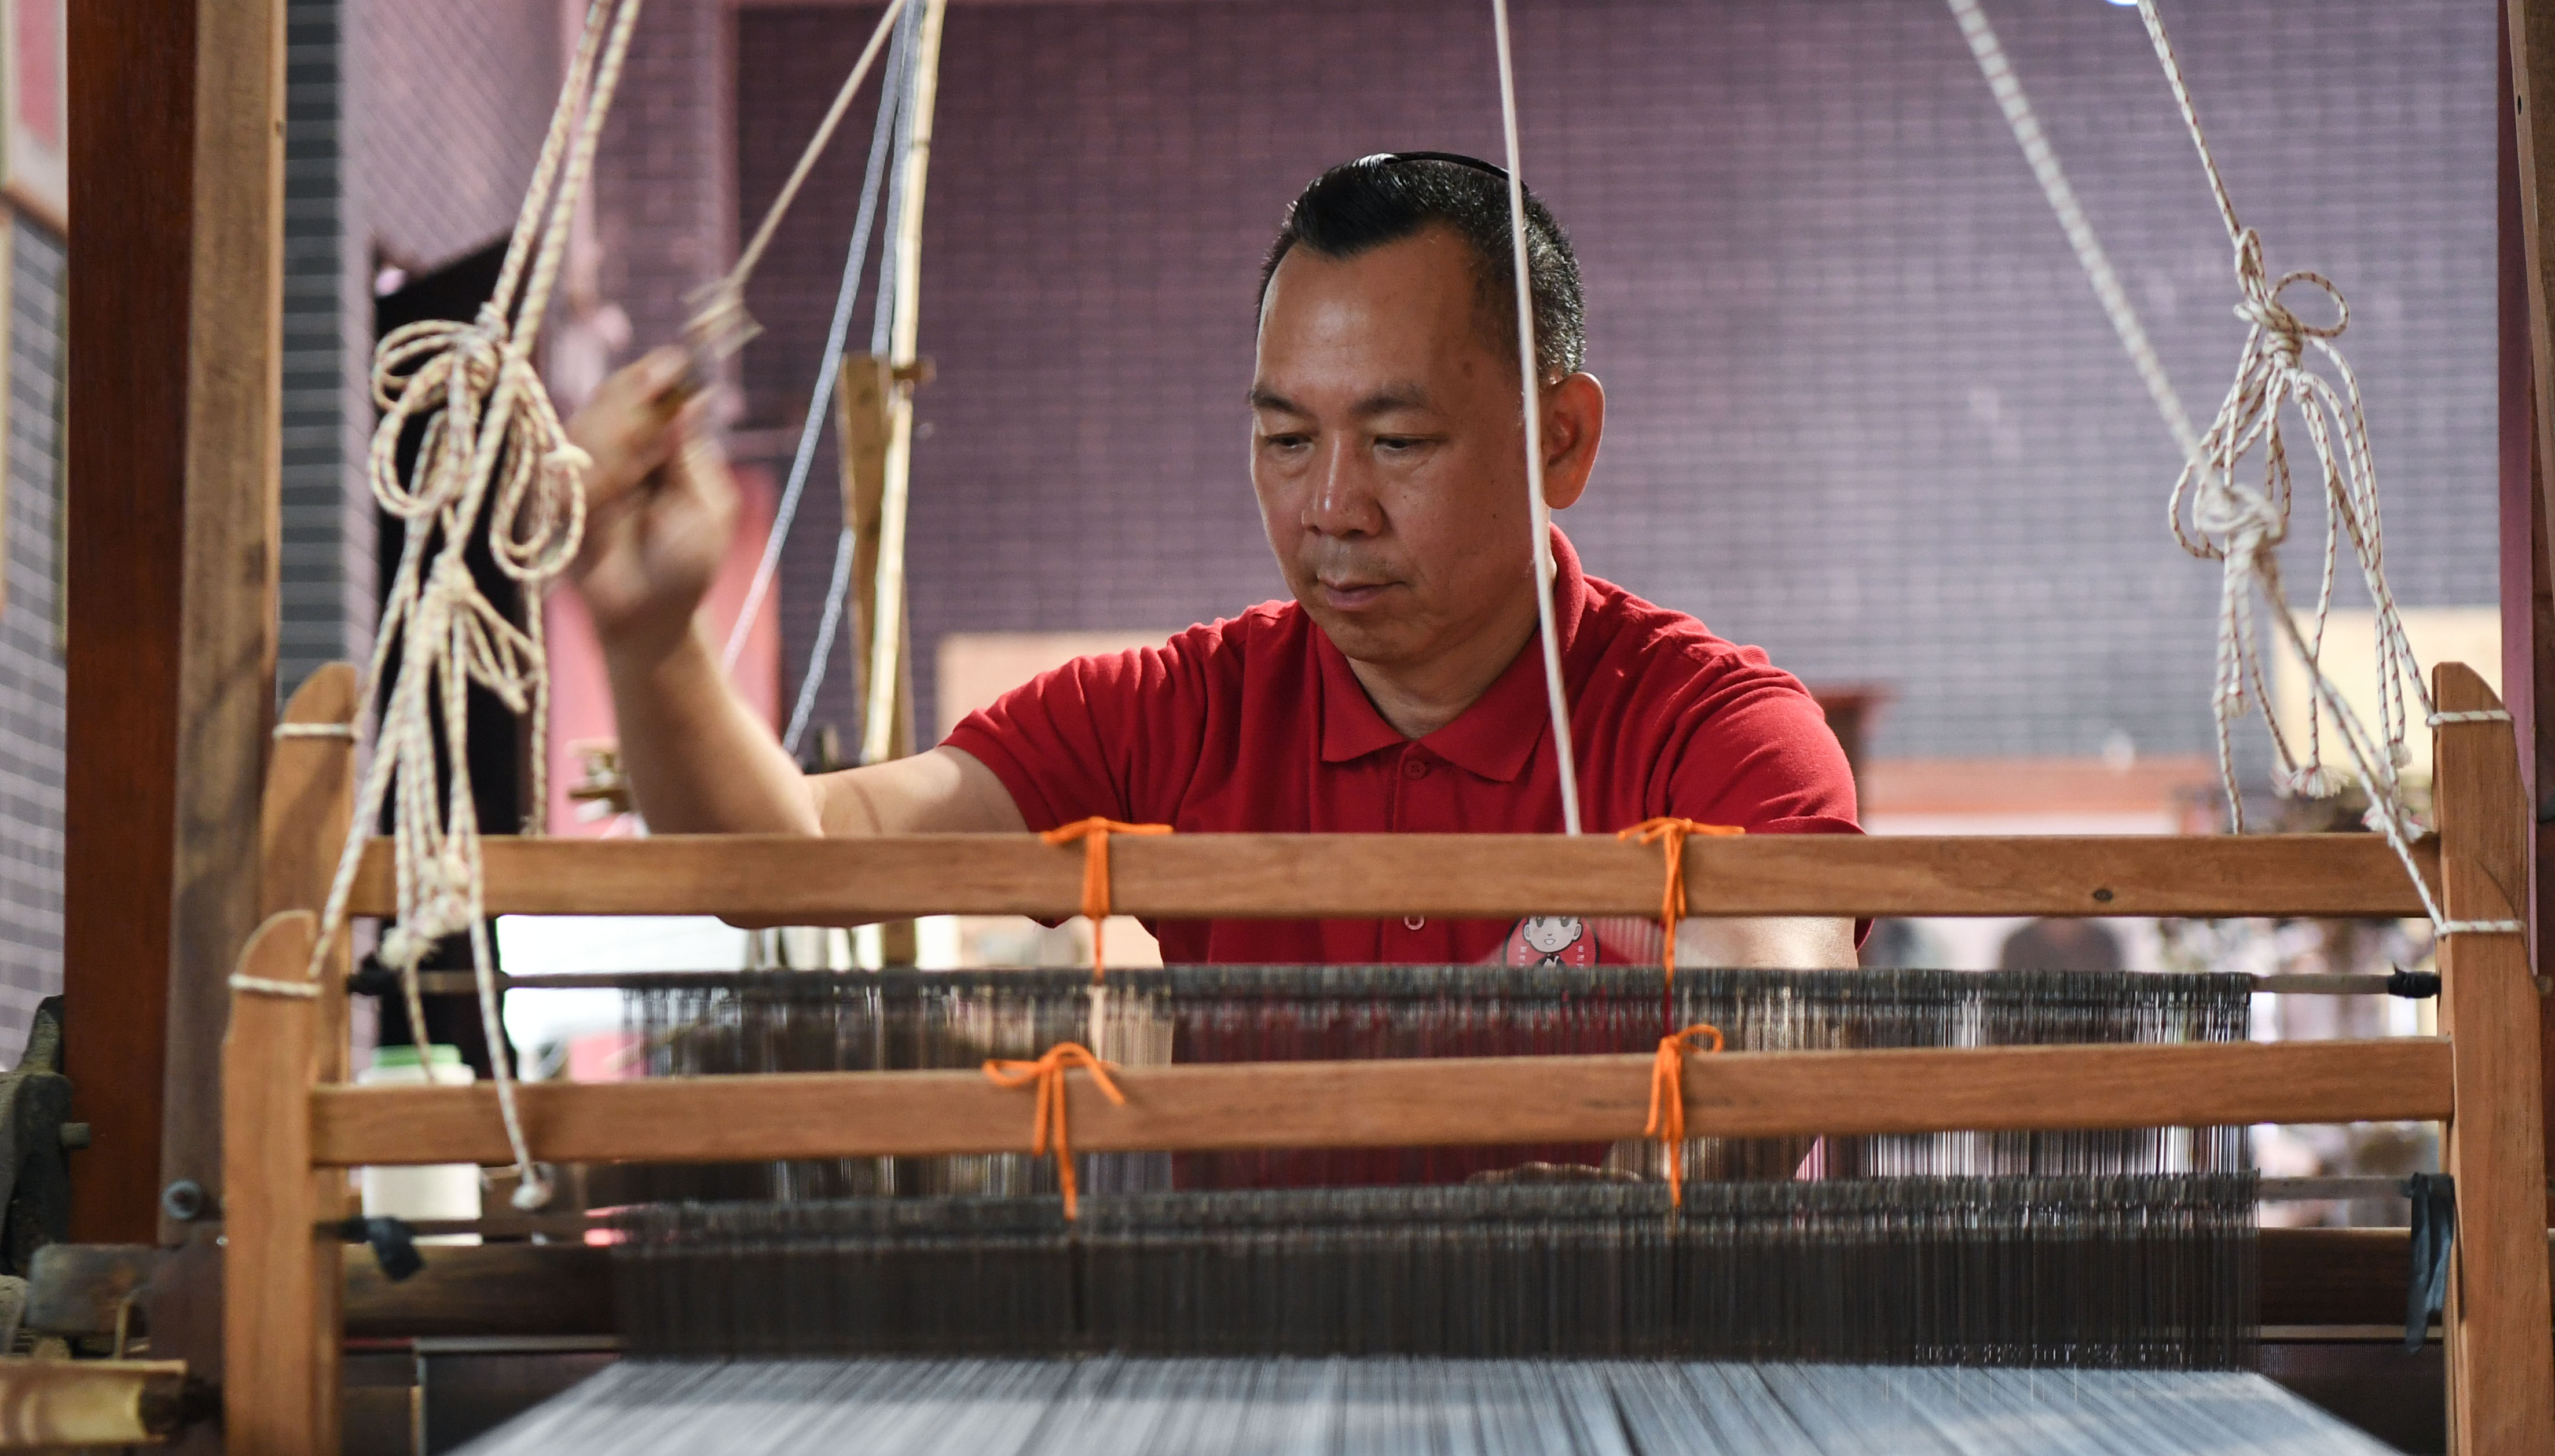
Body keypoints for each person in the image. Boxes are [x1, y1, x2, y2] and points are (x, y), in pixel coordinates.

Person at [569, 151, 1861, 967]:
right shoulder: (1173, 719)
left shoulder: (1715, 732)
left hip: (1619, 1331)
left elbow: (1781, 1004)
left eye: (1399, 441)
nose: (1333, 506)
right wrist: (655, 640)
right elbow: (790, 856)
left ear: (1559, 440)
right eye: (1287, 439)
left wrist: (1586, 1211)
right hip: (1264, 1336)